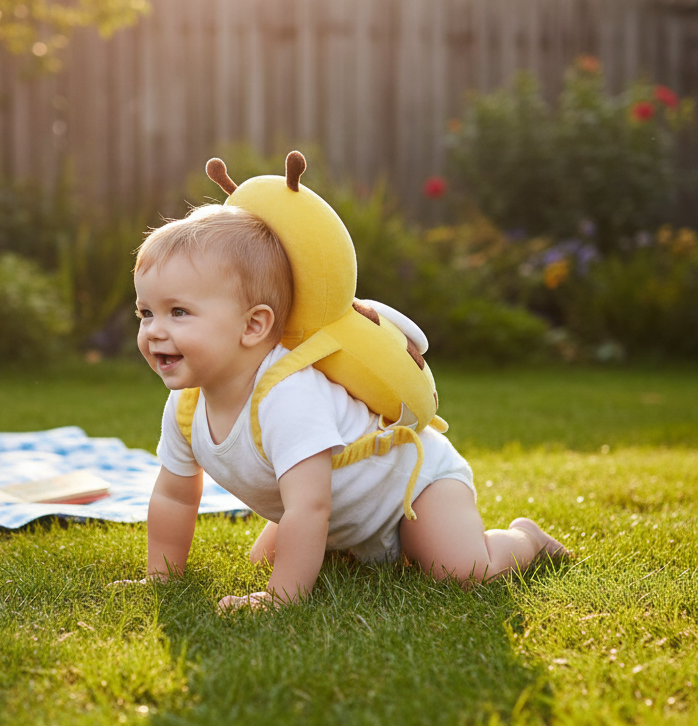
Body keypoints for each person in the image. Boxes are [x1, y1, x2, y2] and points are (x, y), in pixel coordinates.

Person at [131, 203, 569, 610]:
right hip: (344, 512)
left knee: (463, 572)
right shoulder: (185, 407)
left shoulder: (287, 397)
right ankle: (351, 549)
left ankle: (524, 540)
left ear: (254, 325)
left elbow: (309, 507)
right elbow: (175, 495)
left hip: (412, 492)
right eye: (146, 313)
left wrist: (281, 598)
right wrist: (162, 577)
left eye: (179, 313)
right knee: (264, 559)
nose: (154, 331)